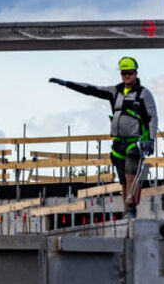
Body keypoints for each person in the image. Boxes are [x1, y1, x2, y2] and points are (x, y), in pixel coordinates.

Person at [49, 56, 156, 219]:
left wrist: (151, 140)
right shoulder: (115, 91)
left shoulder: (143, 94)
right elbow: (91, 89)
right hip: (118, 142)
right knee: (123, 181)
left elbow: (152, 116)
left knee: (131, 176)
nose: (127, 76)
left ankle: (131, 209)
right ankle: (127, 210)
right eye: (124, 73)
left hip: (134, 142)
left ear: (136, 73)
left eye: (130, 73)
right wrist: (67, 84)